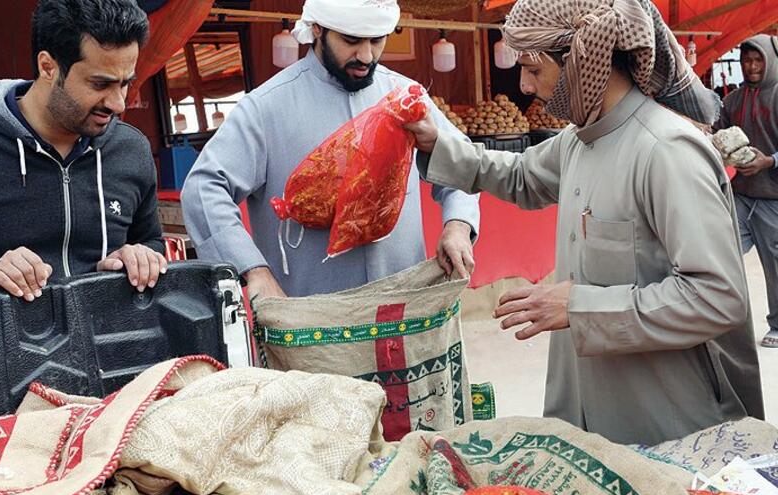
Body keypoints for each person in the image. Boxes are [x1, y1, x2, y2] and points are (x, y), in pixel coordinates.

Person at [405, 0, 763, 445]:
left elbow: (717, 297)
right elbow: (521, 175)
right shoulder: (579, 140)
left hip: (668, 420)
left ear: (582, 60)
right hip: (589, 404)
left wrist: (578, 306)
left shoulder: (666, 152)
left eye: (533, 70)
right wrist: (437, 144)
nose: (525, 85)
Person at [181, 0, 480, 299]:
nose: (366, 56)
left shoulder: (405, 97)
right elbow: (204, 189)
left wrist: (458, 225)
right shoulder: (266, 107)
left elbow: (462, 163)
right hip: (307, 315)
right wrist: (253, 269)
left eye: (377, 40)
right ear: (317, 29)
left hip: (405, 307)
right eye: (351, 40)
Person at [0, 0, 166, 302]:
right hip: (4, 332)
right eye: (100, 84)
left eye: (125, 84)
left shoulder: (132, 150)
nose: (118, 103)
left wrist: (140, 258)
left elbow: (151, 241)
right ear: (48, 67)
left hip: (113, 331)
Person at [715, 35, 778, 348]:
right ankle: (719, 321)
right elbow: (718, 134)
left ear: (770, 61)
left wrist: (769, 161)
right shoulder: (732, 100)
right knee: (718, 255)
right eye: (746, 60)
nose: (751, 66)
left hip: (773, 200)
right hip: (740, 196)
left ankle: (777, 325)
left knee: (774, 267)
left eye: (758, 60)